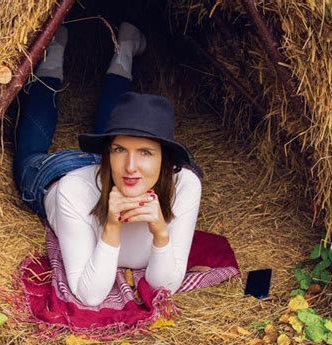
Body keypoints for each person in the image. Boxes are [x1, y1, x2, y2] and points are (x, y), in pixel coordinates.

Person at [13, 22, 202, 307]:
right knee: (29, 154)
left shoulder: (185, 184)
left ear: (167, 161)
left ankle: (124, 48)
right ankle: (51, 57)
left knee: (122, 129)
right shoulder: (72, 191)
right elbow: (89, 296)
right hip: (57, 174)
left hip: (103, 168)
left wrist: (161, 231)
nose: (130, 166)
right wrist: (111, 227)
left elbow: (165, 287)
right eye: (119, 150)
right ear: (109, 152)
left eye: (146, 153)